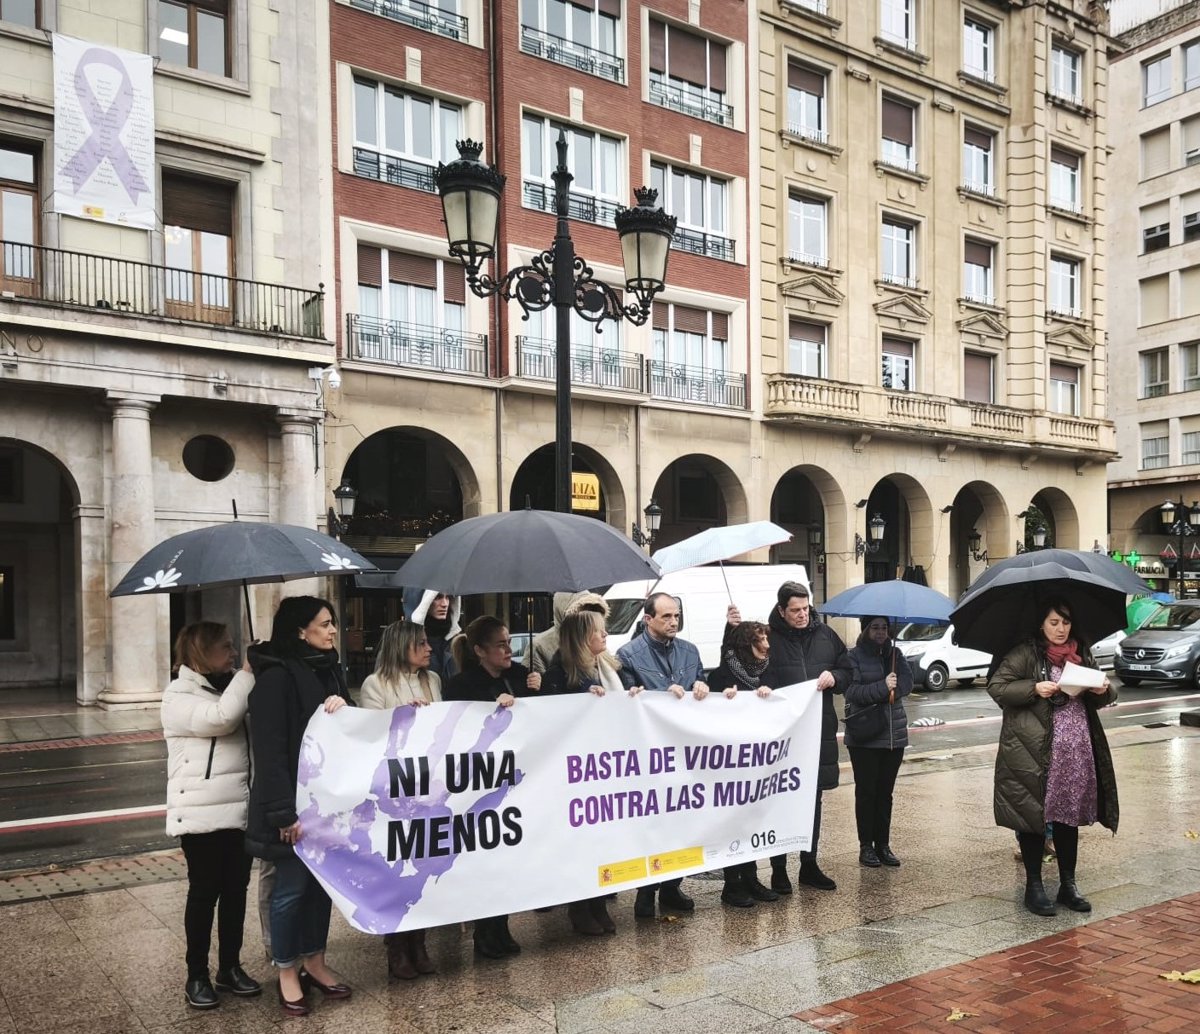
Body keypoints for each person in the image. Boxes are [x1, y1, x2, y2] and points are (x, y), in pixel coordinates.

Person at [246, 596, 353, 1017]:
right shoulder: (275, 677)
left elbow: (343, 734)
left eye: (333, 623)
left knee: (319, 889)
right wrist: (282, 814)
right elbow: (270, 751)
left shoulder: (327, 671)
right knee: (290, 890)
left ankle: (315, 960)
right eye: (324, 624)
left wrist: (342, 708)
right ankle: (287, 969)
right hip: (293, 807)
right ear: (299, 630)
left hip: (326, 803)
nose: (332, 631)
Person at [988, 597, 1118, 917]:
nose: (1061, 630)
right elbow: (998, 687)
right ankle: (1034, 887)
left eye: (1066, 623)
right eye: (1054, 623)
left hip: (1075, 750)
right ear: (1042, 625)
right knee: (1033, 815)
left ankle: (1068, 884)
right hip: (1035, 750)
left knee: (1067, 815)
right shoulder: (1025, 652)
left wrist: (1104, 690)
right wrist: (1034, 688)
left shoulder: (1081, 653)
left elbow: (1105, 692)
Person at [161, 621, 261, 1010]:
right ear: (201, 652)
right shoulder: (178, 694)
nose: (233, 654)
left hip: (239, 807)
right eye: (225, 647)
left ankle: (230, 967)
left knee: (236, 892)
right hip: (201, 813)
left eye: (234, 647)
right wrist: (248, 675)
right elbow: (221, 718)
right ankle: (197, 974)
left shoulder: (229, 683)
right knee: (204, 894)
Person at [443, 616, 541, 958]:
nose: (507, 649)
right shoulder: (460, 685)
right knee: (485, 858)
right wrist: (491, 707)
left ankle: (502, 925)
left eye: (508, 641)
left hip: (518, 780)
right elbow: (459, 727)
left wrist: (536, 689)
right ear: (480, 651)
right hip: (481, 783)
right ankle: (486, 930)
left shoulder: (519, 676)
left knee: (509, 859)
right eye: (500, 644)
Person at [616, 591, 709, 918]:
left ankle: (672, 886)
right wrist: (660, 696)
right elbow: (627, 702)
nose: (673, 622)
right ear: (648, 620)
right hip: (650, 753)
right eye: (666, 616)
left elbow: (702, 684)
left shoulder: (689, 650)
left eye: (676, 616)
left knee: (683, 820)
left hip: (685, 751)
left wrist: (702, 687)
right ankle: (646, 891)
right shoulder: (627, 654)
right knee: (653, 823)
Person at [359, 621, 441, 980]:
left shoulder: (433, 680)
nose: (428, 649)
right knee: (396, 865)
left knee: (423, 862)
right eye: (420, 644)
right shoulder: (376, 685)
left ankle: (419, 940)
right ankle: (396, 944)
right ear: (401, 646)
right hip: (393, 791)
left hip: (427, 788)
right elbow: (372, 733)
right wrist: (403, 715)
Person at [542, 610, 629, 935]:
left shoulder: (606, 668)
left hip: (604, 770)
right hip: (575, 774)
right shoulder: (560, 673)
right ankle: (580, 907)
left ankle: (597, 903)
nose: (605, 636)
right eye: (598, 632)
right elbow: (552, 718)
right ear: (581, 638)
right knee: (579, 843)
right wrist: (582, 700)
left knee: (601, 840)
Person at [763, 580, 851, 893]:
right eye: (795, 610)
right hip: (781, 737)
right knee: (778, 800)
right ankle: (778, 868)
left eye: (806, 608)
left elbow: (847, 669)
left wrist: (836, 676)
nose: (802, 615)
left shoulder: (826, 635)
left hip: (817, 733)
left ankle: (809, 864)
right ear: (781, 610)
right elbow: (746, 671)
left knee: (812, 801)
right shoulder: (767, 638)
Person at [708, 620, 780, 908]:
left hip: (758, 762)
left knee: (752, 820)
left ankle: (751, 877)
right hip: (730, 764)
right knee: (733, 822)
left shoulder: (769, 671)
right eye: (758, 641)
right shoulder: (722, 676)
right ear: (744, 646)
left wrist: (769, 695)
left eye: (766, 638)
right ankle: (732, 882)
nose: (766, 646)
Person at [845, 616, 913, 869]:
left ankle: (883, 844)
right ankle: (866, 846)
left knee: (885, 794)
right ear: (865, 630)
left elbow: (906, 683)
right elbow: (852, 691)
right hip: (865, 736)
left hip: (894, 736)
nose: (881, 632)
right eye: (875, 627)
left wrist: (896, 687)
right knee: (866, 793)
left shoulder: (895, 654)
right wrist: (883, 687)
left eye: (884, 627)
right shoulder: (853, 657)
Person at [530, 590, 610, 674]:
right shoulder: (540, 646)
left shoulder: (602, 651)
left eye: (593, 612)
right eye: (582, 613)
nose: (588, 619)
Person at [403, 588, 461, 681]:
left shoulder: (457, 642)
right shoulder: (401, 643)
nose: (444, 604)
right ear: (422, 601)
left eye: (448, 597)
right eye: (437, 597)